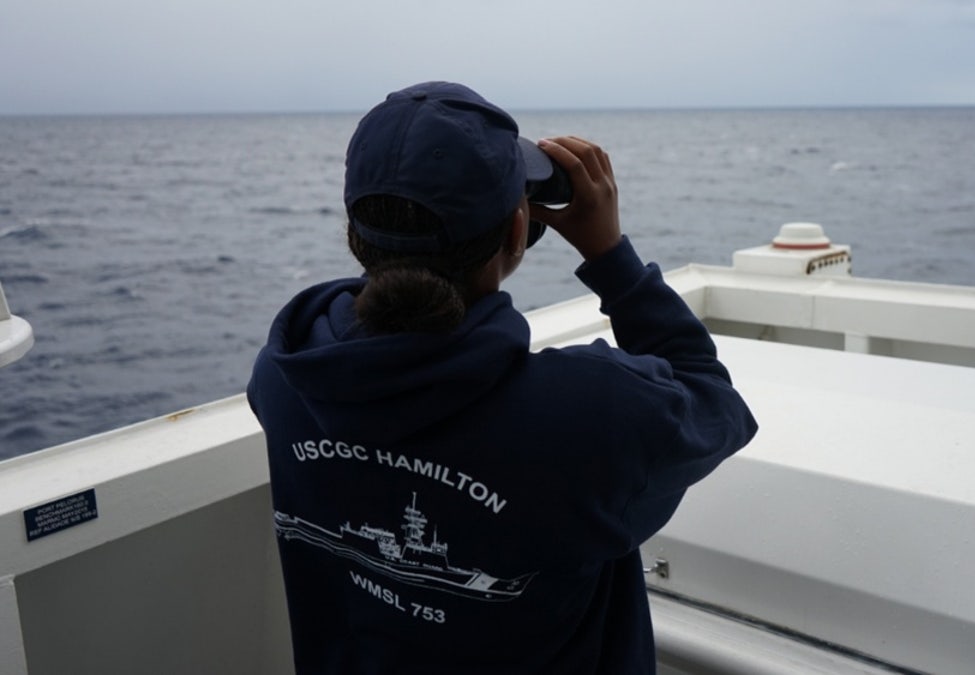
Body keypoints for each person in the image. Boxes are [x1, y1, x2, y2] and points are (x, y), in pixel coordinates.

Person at [247, 81, 757, 674]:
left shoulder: (285, 377)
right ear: (519, 233)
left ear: (355, 232)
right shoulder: (587, 415)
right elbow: (716, 399)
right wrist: (610, 256)